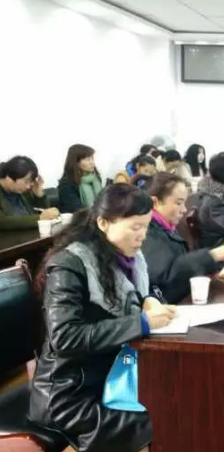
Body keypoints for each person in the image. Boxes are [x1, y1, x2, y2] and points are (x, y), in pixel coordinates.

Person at [29, 183, 178, 452]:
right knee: (159, 417)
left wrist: (149, 299)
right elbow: (65, 338)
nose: (142, 236)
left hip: (114, 373)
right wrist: (141, 322)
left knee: (176, 396)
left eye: (146, 227)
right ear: (103, 223)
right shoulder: (69, 265)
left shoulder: (127, 259)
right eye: (135, 227)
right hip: (70, 392)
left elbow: (134, 296)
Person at [141, 173, 224, 303]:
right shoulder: (146, 233)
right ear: (155, 202)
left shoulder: (165, 226)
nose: (184, 209)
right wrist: (214, 255)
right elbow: (167, 274)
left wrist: (219, 258)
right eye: (178, 203)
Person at [0, 156, 58, 230]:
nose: (28, 186)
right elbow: (3, 222)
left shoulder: (23, 191)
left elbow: (43, 212)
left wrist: (39, 195)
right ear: (9, 177)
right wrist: (40, 218)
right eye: (26, 181)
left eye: (30, 182)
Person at [57, 144, 103, 213]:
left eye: (92, 158)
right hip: (79, 218)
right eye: (88, 159)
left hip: (98, 215)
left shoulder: (96, 178)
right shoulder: (66, 184)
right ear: (76, 162)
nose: (92, 162)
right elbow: (76, 209)